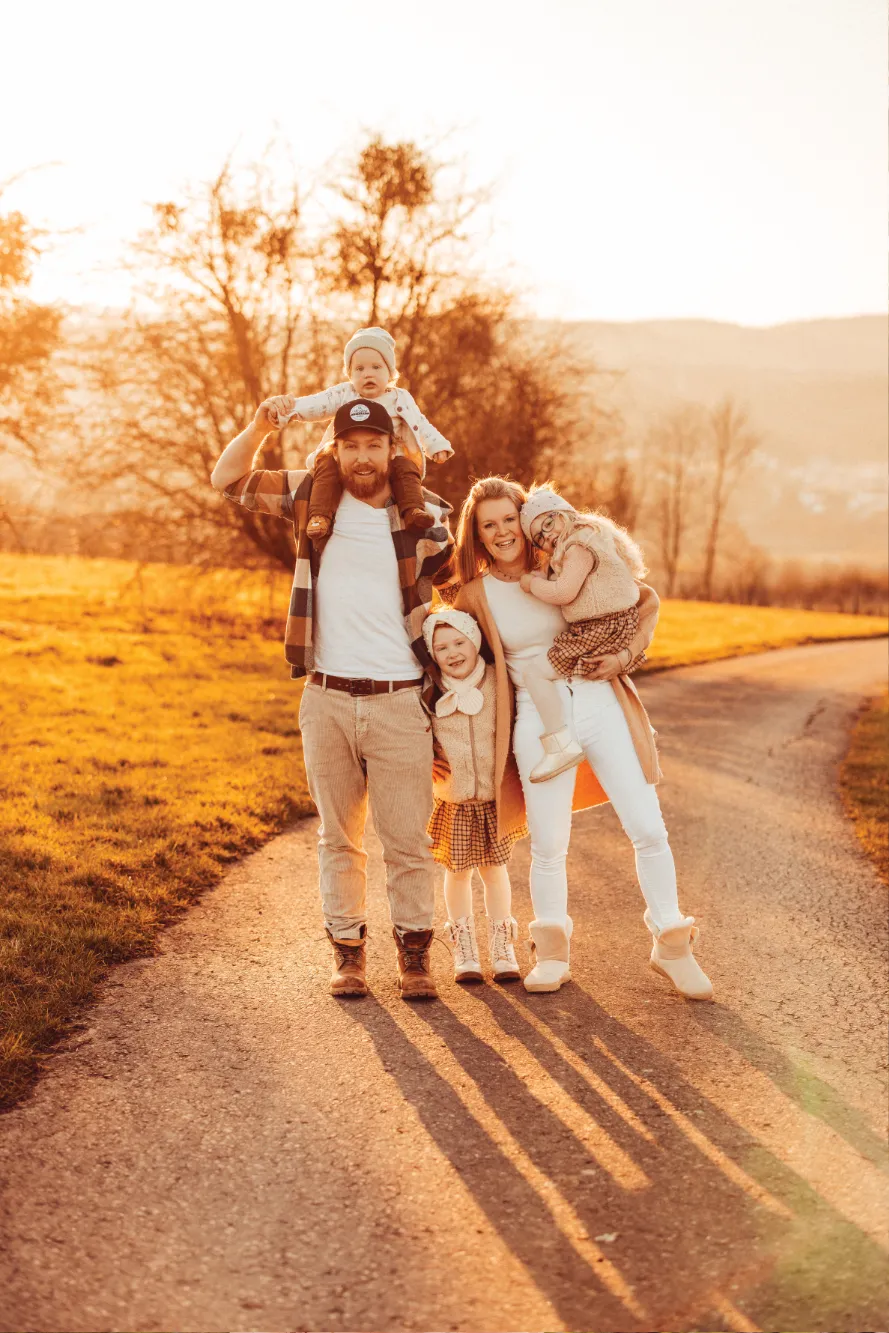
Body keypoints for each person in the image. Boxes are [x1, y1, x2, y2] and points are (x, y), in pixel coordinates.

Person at [210, 394, 455, 1001]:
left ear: (393, 448)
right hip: (325, 698)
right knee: (338, 836)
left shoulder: (426, 512)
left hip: (401, 701)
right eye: (351, 446)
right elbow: (228, 479)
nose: (363, 457)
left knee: (407, 839)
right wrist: (260, 424)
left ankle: (415, 957)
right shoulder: (308, 498)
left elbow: (475, 571)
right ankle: (348, 955)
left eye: (375, 446)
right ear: (336, 449)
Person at [441, 475, 713, 1000]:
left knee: (647, 826)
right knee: (548, 845)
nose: (501, 532)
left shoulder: (567, 559)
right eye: (487, 524)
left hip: (599, 701)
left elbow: (642, 601)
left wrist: (625, 657)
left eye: (507, 519)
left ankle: (672, 944)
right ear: (476, 534)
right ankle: (553, 954)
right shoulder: (475, 595)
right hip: (538, 722)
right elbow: (454, 653)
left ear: (526, 518)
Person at [264, 326, 453, 542]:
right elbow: (318, 404)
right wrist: (289, 410)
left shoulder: (401, 398)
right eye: (359, 369)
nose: (368, 374)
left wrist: (436, 446)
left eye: (376, 367)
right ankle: (319, 516)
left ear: (390, 373)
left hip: (391, 457)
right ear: (350, 374)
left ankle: (413, 511)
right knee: (325, 468)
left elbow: (421, 423)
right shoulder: (346, 394)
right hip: (345, 458)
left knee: (406, 469)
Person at [423, 608, 526, 984]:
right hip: (453, 798)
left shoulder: (497, 681)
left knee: (495, 871)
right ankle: (464, 946)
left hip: (492, 798)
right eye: (441, 647)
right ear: (432, 654)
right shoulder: (430, 689)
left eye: (459, 642)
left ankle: (503, 945)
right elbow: (417, 730)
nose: (452, 652)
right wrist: (424, 757)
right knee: (457, 873)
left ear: (475, 640)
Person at [518, 487, 648, 783]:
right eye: (538, 537)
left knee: (535, 673)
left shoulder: (578, 545)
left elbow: (564, 591)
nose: (546, 536)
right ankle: (626, 731)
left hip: (601, 628)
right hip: (613, 624)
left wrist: (529, 584)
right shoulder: (589, 536)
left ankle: (559, 745)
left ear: (564, 513)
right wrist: (544, 577)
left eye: (548, 523)